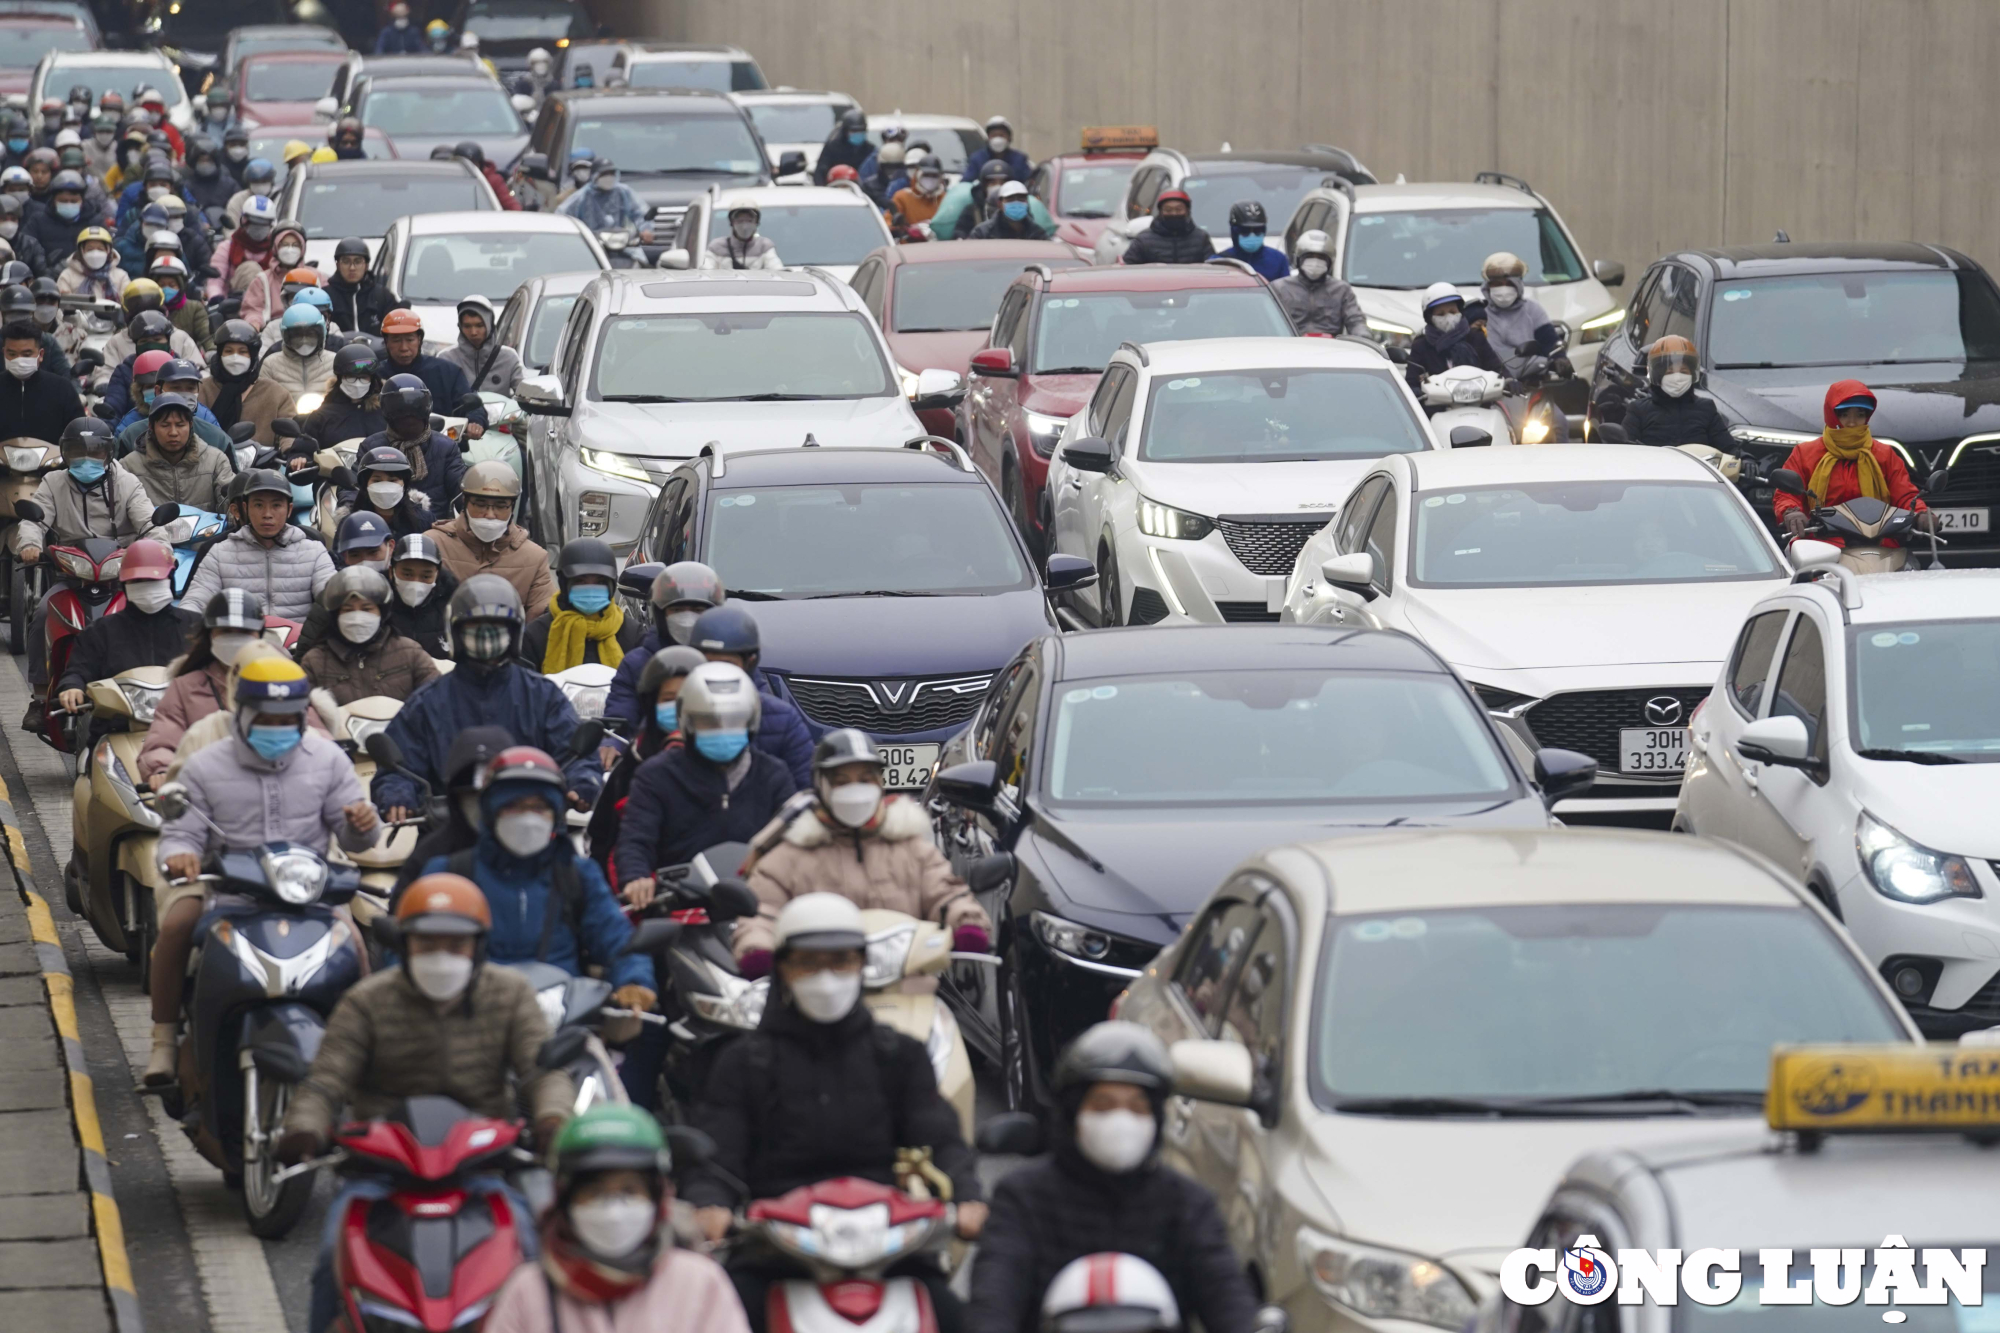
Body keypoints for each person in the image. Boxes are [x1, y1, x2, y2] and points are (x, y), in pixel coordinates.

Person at [278, 873, 571, 1333]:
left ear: (477, 947)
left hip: (483, 1168)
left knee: (534, 1254)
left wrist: (554, 1119)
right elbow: (325, 1081)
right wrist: (304, 1129)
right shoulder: (366, 1001)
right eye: (427, 944)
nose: (442, 957)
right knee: (332, 1259)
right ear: (405, 945)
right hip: (381, 1173)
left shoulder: (510, 994)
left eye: (455, 945)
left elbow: (542, 1071)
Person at [687, 892, 982, 1333]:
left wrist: (968, 1193)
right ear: (782, 970)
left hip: (884, 1242)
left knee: (952, 1316)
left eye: (841, 962)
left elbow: (940, 1135)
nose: (826, 977)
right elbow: (717, 1151)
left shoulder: (899, 1055)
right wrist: (709, 1203)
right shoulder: (745, 1062)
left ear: (861, 966)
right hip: (776, 1249)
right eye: (808, 963)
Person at [151, 654, 380, 1083]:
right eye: (265, 718)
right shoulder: (205, 762)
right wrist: (178, 857)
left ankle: (363, 1056)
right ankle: (165, 1038)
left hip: (310, 898)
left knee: (356, 947)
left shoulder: (328, 759)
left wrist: (363, 825)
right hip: (232, 898)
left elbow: (355, 835)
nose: (277, 728)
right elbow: (180, 834)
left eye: (287, 718)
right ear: (243, 711)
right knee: (177, 925)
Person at [967, 1022, 1260, 1333]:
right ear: (1073, 1113)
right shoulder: (1022, 1198)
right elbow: (994, 1296)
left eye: (1137, 1108)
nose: (1121, 1120)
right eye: (1103, 1105)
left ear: (1156, 1120)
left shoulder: (1187, 1205)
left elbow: (1228, 1299)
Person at [736, 729, 991, 978]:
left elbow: (945, 895)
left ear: (880, 784)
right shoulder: (791, 856)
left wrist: (967, 924)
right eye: (842, 782)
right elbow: (762, 913)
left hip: (905, 987)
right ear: (821, 787)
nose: (855, 790)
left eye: (865, 780)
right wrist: (757, 949)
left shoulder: (911, 849)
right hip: (818, 992)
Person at [418, 744, 652, 1014]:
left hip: (562, 1017)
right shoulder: (450, 874)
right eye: (514, 807)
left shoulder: (577, 874)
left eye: (538, 808)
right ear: (491, 812)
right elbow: (411, 951)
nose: (528, 818)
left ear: (555, 816)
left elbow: (617, 938)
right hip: (469, 1020)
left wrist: (635, 981)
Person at [484, 1105, 751, 1333]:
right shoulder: (530, 1291)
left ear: (656, 1198)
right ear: (565, 1201)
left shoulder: (699, 1283)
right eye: (594, 1192)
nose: (614, 1210)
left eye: (629, 1191)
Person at [372, 575, 601, 824]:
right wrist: (397, 794)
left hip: (532, 826)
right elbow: (398, 767)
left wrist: (582, 781)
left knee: (577, 864)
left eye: (497, 627)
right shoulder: (427, 702)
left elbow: (575, 754)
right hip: (449, 831)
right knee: (420, 865)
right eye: (474, 628)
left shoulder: (543, 696)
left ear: (514, 633)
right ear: (456, 633)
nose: (486, 636)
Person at [14, 417, 168, 721]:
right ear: (64, 453)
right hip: (71, 575)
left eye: (95, 451)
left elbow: (150, 524)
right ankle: (40, 695)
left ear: (108, 453)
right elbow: (34, 520)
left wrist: (162, 550)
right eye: (77, 451)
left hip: (119, 577)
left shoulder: (127, 482)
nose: (86, 459)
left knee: (152, 618)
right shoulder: (53, 482)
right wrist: (29, 545)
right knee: (42, 615)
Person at [613, 662, 796, 902]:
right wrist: (636, 877)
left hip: (757, 904)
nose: (722, 730)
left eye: (733, 721)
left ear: (751, 722)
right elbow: (635, 840)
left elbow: (794, 842)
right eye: (709, 721)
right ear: (687, 722)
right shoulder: (656, 776)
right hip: (679, 906)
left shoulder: (773, 775)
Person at [52, 538, 195, 735]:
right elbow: (79, 669)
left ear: (171, 579)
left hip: (186, 730)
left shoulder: (196, 627)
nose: (146, 586)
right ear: (124, 584)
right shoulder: (101, 631)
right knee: (90, 760)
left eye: (153, 580)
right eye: (137, 581)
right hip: (116, 729)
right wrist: (72, 687)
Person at [585, 644, 702, 884]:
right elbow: (605, 838)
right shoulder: (633, 762)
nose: (679, 709)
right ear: (651, 703)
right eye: (669, 700)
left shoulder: (726, 761)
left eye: (687, 699)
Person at [1773, 380, 1932, 545]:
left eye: (1860, 415)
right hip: (1819, 546)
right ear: (1831, 415)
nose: (1851, 422)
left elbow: (1904, 496)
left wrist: (1921, 513)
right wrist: (1791, 511)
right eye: (1844, 415)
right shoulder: (1805, 453)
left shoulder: (1884, 455)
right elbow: (1786, 494)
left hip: (1879, 546)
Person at [137, 588, 263, 787]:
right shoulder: (185, 686)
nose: (235, 638)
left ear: (260, 635)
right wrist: (161, 769)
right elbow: (163, 737)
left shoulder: (283, 680)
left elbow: (314, 735)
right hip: (204, 792)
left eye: (245, 632)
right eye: (226, 631)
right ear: (210, 634)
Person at [684, 604, 814, 786]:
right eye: (708, 663)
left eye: (727, 664)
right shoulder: (677, 711)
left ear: (750, 662)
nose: (717, 672)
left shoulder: (783, 720)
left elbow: (804, 793)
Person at [181, 467, 335, 621]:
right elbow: (195, 602)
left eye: (276, 506)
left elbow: (333, 597)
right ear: (246, 508)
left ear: (289, 510)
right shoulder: (219, 554)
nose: (267, 514)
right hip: (238, 642)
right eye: (259, 505)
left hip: (298, 644)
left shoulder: (314, 552)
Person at [601, 560, 725, 744]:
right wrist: (612, 745)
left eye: (697, 610)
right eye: (677, 610)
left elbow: (764, 712)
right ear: (660, 614)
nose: (687, 619)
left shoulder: (729, 660)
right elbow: (620, 717)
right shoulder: (637, 664)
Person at [389, 726, 511, 899]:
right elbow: (400, 919)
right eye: (471, 795)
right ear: (455, 795)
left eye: (492, 793)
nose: (482, 804)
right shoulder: (428, 858)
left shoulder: (543, 855)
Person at [430, 460, 553, 619]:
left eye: (500, 506)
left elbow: (541, 619)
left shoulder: (535, 558)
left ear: (512, 507)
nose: (489, 515)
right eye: (480, 504)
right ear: (465, 502)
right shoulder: (434, 545)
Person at [300, 566, 440, 705]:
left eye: (366, 609)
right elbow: (302, 712)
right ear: (336, 615)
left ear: (382, 613)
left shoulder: (410, 652)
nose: (357, 617)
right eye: (348, 610)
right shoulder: (315, 661)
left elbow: (437, 698)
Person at [521, 538, 640, 672]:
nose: (590, 589)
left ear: (611, 585)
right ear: (564, 584)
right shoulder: (537, 634)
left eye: (600, 583)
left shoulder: (632, 634)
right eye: (580, 581)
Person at [1618, 335, 1736, 451]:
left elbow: (1729, 448)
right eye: (1669, 372)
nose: (1677, 377)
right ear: (1657, 376)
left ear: (1692, 374)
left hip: (1696, 470)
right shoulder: (1639, 410)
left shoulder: (1706, 408)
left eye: (1683, 371)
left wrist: (1746, 459)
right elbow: (1626, 451)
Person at [381, 307, 488, 435]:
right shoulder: (376, 376)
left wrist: (475, 421)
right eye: (396, 340)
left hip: (442, 447)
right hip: (386, 448)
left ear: (419, 340)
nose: (404, 348)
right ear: (386, 342)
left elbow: (471, 403)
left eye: (410, 340)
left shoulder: (448, 372)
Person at [238, 305, 336, 443]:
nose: (304, 341)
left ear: (321, 333)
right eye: (297, 335)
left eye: (310, 335)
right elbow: (263, 405)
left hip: (327, 430)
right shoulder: (271, 364)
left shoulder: (334, 361)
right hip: (282, 432)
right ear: (285, 335)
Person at [121, 393, 231, 512]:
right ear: (151, 427)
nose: (173, 432)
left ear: (190, 425)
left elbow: (232, 504)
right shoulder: (128, 467)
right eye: (165, 425)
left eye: (180, 425)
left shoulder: (215, 461)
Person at [1472, 251, 1565, 378]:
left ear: (1518, 285)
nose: (1503, 289)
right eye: (1497, 284)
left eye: (1509, 284)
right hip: (1489, 381)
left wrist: (1559, 358)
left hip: (1530, 379)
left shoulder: (1533, 310)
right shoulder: (1477, 312)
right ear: (1488, 286)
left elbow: (1549, 341)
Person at [1405, 281, 1506, 393]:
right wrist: (1423, 392)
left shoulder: (1475, 337)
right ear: (1430, 318)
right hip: (1437, 408)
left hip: (1480, 403)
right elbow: (1411, 383)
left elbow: (1496, 368)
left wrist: (1509, 381)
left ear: (1460, 312)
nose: (1448, 317)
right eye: (1441, 314)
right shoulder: (1421, 345)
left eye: (1453, 312)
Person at [1269, 228, 1364, 336]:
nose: (1315, 263)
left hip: (1332, 348)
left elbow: (1355, 320)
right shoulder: (1279, 288)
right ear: (1298, 259)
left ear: (1330, 262)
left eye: (1321, 258)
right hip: (1291, 346)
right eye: (1309, 257)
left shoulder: (1341, 290)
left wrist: (1362, 336)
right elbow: (1267, 321)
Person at [0, 318, 81, 441]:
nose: (19, 360)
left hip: (53, 459)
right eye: (12, 354)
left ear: (41, 355)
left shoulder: (62, 389)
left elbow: (78, 436)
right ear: (4, 353)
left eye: (26, 354)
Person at [337, 443, 434, 540]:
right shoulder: (350, 523)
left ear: (404, 485)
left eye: (392, 480)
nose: (385, 486)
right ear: (366, 485)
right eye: (377, 481)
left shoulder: (423, 520)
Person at [303, 339, 388, 447]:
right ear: (340, 378)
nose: (357, 384)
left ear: (372, 380)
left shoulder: (385, 413)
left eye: (363, 378)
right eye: (351, 377)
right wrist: (300, 456)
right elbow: (305, 444)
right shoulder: (321, 416)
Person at [384, 532, 456, 658]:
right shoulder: (378, 606)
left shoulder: (452, 608)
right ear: (391, 572)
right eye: (407, 574)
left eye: (425, 576)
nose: (415, 582)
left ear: (437, 575)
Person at [437, 294, 523, 396]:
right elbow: (437, 398)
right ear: (460, 327)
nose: (473, 332)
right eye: (467, 326)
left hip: (502, 412)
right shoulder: (446, 359)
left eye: (479, 325)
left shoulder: (509, 357)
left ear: (490, 325)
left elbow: (526, 394)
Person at [559, 158, 651, 247]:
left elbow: (640, 212)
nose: (608, 177)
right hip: (591, 245)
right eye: (604, 174)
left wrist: (645, 230)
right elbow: (562, 216)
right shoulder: (582, 196)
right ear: (594, 176)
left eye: (611, 173)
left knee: (640, 260)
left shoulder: (623, 192)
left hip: (620, 244)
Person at [241, 223, 311, 329]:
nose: (289, 249)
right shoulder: (262, 280)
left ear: (303, 248)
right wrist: (254, 324)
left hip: (310, 332)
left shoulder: (316, 277)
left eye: (295, 245)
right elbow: (252, 310)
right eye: (284, 245)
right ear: (275, 247)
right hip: (272, 334)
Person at [198, 319, 258, 433]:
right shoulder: (201, 389)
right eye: (229, 351)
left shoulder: (274, 392)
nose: (235, 357)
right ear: (220, 354)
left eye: (242, 352)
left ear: (253, 355)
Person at [324, 236, 391, 336]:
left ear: (367, 265)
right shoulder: (326, 296)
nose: (352, 268)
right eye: (346, 262)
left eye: (358, 261)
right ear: (337, 265)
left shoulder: (382, 295)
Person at [1123, 190, 1211, 265]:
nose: (1174, 213)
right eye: (1168, 210)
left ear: (1187, 211)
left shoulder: (1201, 238)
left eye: (1179, 209)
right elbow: (1128, 268)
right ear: (1160, 212)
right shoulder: (1144, 240)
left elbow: (1212, 267)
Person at [149, 254, 212, 351]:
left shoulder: (194, 308)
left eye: (172, 285)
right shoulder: (148, 309)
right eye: (162, 285)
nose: (166, 289)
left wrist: (212, 352)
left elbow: (206, 335)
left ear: (181, 286)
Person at [1210, 201, 1287, 280]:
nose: (1252, 235)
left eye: (1258, 230)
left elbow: (1283, 290)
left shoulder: (1278, 260)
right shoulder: (1219, 262)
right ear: (1235, 232)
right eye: (1245, 231)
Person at [940, 159, 1016, 239]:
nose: (998, 187)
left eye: (1002, 183)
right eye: (993, 183)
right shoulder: (973, 211)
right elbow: (960, 233)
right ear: (984, 186)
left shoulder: (1017, 209)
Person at [701, 203, 781, 270]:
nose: (744, 226)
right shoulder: (717, 247)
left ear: (756, 222)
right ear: (732, 222)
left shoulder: (764, 246)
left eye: (749, 221)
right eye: (740, 221)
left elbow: (776, 269)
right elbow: (707, 272)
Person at [55, 224, 124, 299]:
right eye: (90, 249)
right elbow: (61, 305)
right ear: (81, 251)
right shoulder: (67, 276)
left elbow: (127, 304)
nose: (95, 253)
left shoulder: (121, 277)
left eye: (100, 249)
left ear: (108, 251)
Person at [968, 181, 1052, 240]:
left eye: (1021, 199)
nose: (1016, 203)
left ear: (1027, 202)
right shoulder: (982, 233)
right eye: (1010, 199)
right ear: (1000, 204)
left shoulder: (1037, 233)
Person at [886, 157, 947, 235]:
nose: (930, 179)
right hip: (909, 245)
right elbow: (888, 224)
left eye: (934, 176)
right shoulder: (902, 197)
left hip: (940, 244)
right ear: (918, 175)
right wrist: (901, 229)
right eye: (926, 175)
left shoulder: (946, 199)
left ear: (940, 178)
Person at [453, 140, 520, 211]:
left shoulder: (492, 180)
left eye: (474, 163)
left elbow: (512, 205)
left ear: (480, 164)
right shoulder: (450, 179)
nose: (469, 167)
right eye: (463, 164)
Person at [962, 114, 1030, 183]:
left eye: (1001, 135)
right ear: (988, 138)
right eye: (994, 135)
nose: (998, 139)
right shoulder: (977, 159)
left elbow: (1028, 183)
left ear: (1009, 138)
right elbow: (966, 183)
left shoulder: (1019, 159)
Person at [813, 108, 873, 186]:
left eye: (861, 131)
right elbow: (820, 172)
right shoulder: (833, 148)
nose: (858, 134)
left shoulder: (870, 150)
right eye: (854, 131)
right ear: (845, 131)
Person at [861, 140, 907, 207]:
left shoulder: (908, 186)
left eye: (897, 168)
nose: (893, 172)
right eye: (888, 168)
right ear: (880, 167)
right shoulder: (869, 187)